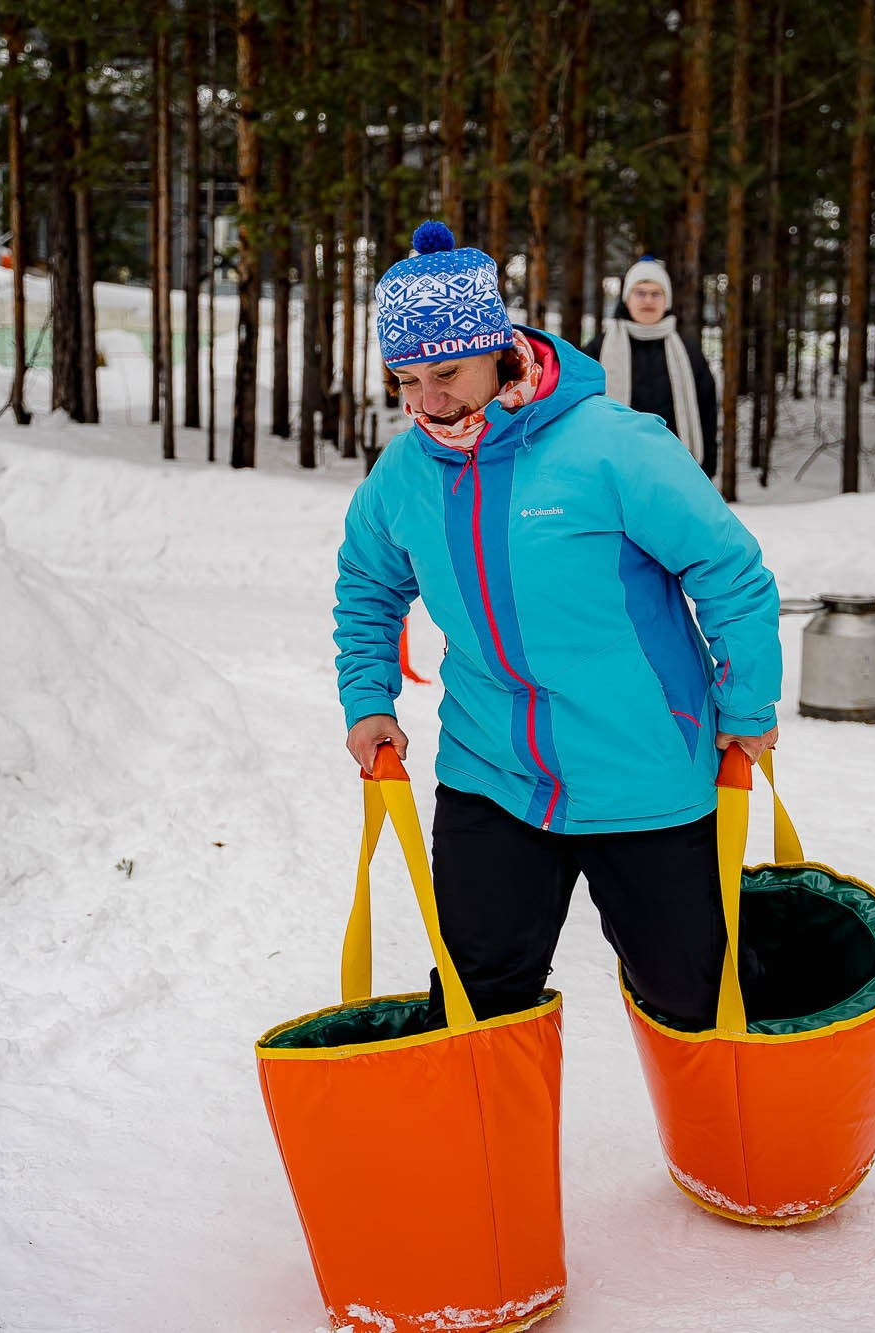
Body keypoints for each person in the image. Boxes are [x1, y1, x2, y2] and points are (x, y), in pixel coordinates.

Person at [333, 221, 780, 1032]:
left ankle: (742, 1155)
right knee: (476, 1002)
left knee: (699, 994)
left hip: (644, 771)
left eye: (445, 373)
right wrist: (368, 697)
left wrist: (746, 705)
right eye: (405, 379)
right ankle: (482, 1159)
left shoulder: (611, 445)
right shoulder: (405, 470)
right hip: (490, 774)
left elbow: (728, 569)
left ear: (498, 348)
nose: (427, 403)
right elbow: (368, 581)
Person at [581, 255, 720, 476]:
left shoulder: (688, 352)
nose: (648, 301)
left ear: (667, 301)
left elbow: (707, 411)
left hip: (675, 469)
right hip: (615, 469)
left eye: (656, 294)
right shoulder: (598, 350)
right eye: (640, 293)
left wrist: (708, 467)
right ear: (627, 298)